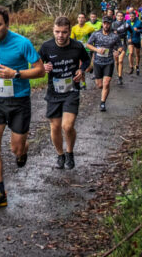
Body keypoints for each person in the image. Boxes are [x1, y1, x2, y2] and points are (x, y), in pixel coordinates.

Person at [0, 4, 45, 209]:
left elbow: (40, 70)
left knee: (16, 149)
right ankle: (0, 192)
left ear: (7, 23)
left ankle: (22, 150)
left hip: (19, 101)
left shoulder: (22, 43)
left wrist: (16, 74)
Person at [39, 17, 90, 170]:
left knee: (67, 126)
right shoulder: (46, 47)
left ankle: (70, 152)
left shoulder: (77, 46)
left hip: (71, 90)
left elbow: (87, 61)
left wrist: (82, 70)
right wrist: (43, 66)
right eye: (57, 32)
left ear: (69, 31)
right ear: (53, 31)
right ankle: (60, 154)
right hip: (54, 92)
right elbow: (35, 62)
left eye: (64, 32)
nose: (60, 35)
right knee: (55, 127)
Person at [86, 16, 124, 112]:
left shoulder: (114, 36)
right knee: (99, 85)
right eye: (104, 23)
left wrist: (118, 52)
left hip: (109, 62)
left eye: (108, 23)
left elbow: (120, 46)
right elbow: (88, 44)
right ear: (102, 24)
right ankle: (104, 89)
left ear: (111, 24)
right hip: (98, 62)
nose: (106, 25)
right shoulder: (96, 34)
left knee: (106, 83)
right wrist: (97, 50)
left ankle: (102, 103)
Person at [70, 13, 95, 89]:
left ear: (85, 19)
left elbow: (94, 39)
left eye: (82, 18)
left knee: (89, 68)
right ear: (77, 19)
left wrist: (93, 48)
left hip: (88, 49)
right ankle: (84, 84)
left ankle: (92, 68)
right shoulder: (74, 28)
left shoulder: (90, 28)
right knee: (81, 68)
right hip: (79, 50)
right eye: (79, 17)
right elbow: (72, 40)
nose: (80, 19)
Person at [111, 11, 131, 85]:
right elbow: (110, 33)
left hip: (123, 44)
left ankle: (120, 77)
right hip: (115, 44)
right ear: (116, 16)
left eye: (121, 16)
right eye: (118, 16)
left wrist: (129, 37)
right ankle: (118, 74)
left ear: (123, 17)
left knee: (120, 60)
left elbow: (131, 31)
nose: (120, 17)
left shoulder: (126, 24)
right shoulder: (113, 24)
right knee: (116, 61)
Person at [126, 11, 142, 76]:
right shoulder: (127, 22)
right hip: (130, 39)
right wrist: (127, 36)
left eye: (133, 16)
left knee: (137, 54)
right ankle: (131, 67)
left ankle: (137, 66)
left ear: (135, 16)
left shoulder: (139, 22)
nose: (131, 17)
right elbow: (125, 29)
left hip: (137, 39)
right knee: (131, 53)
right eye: (130, 16)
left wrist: (138, 30)